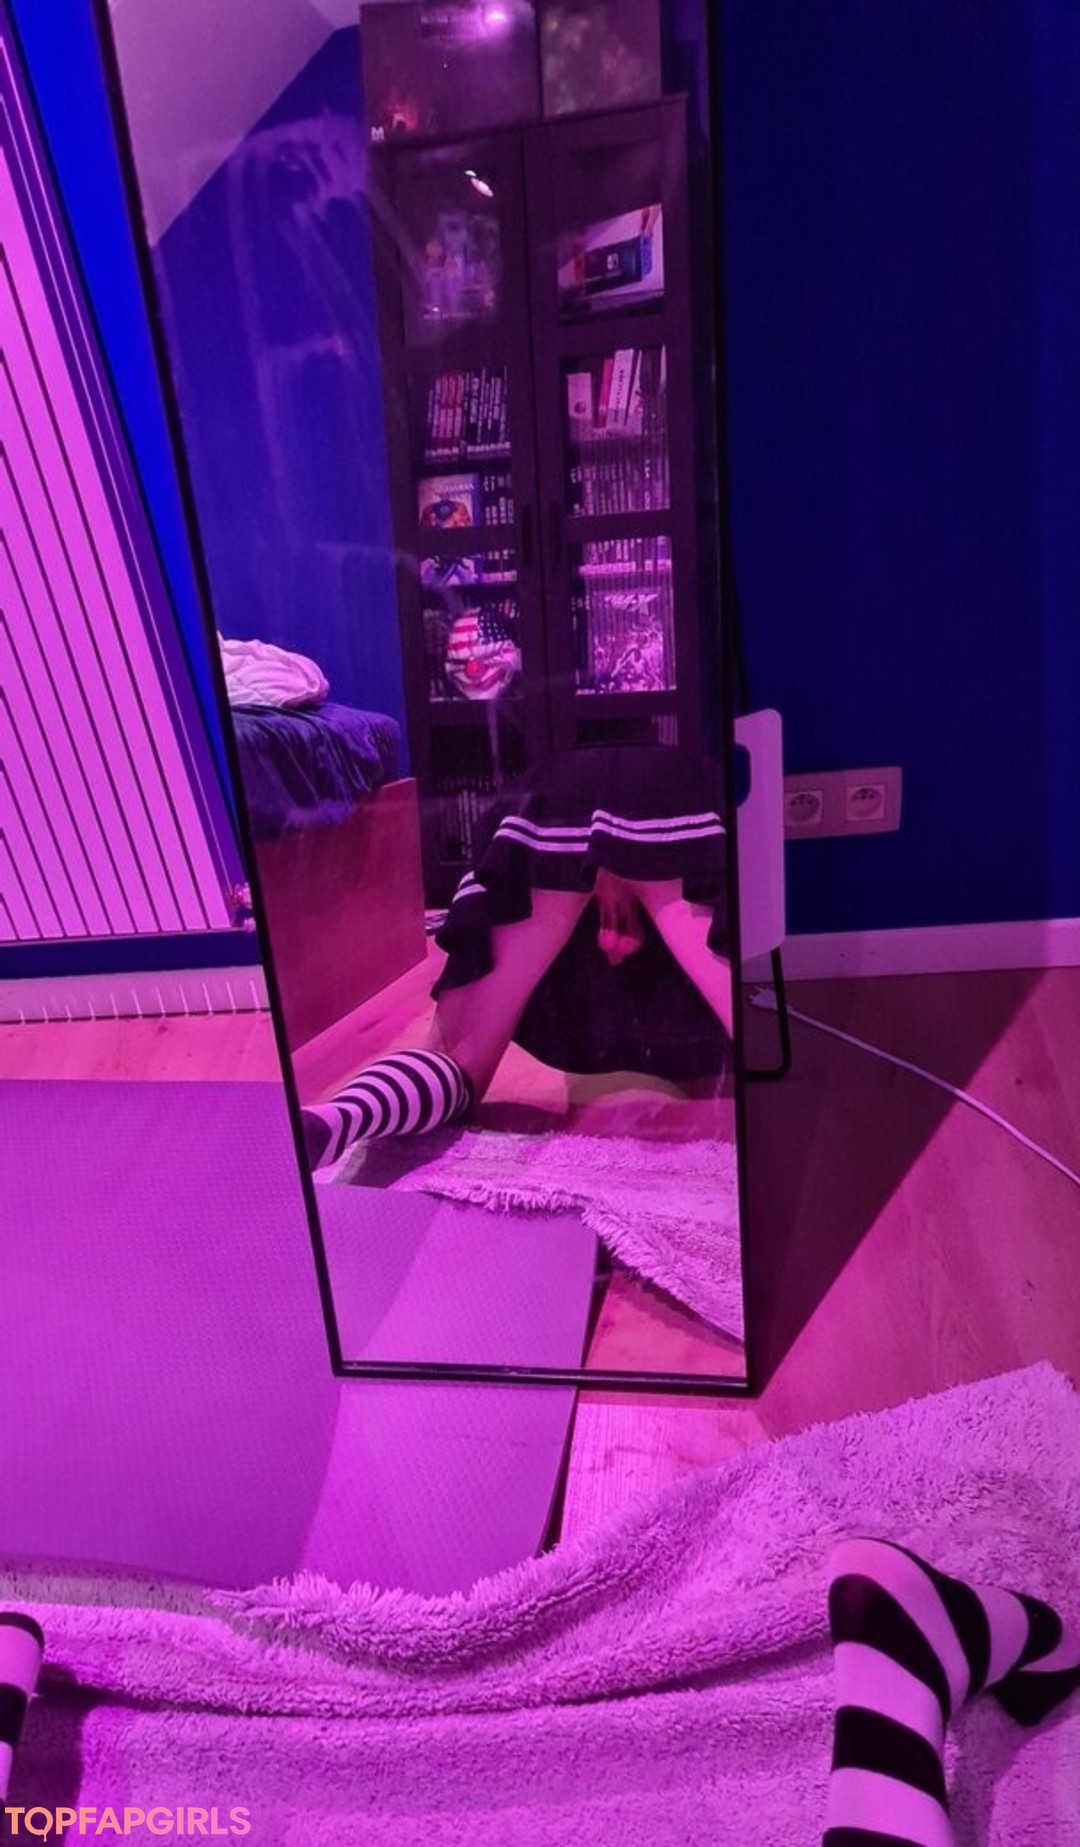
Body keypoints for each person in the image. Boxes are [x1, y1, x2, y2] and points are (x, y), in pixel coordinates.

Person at [302, 743, 734, 1171]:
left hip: (555, 797)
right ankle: (337, 1120)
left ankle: (340, 1117)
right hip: (677, 799)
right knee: (755, 1032)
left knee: (453, 1063)